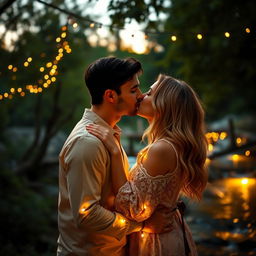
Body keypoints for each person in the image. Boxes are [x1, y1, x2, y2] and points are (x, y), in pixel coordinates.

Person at [57, 58, 174, 256]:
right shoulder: (88, 143)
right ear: (110, 95)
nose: (140, 95)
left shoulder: (108, 134)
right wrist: (141, 225)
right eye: (133, 90)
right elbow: (87, 215)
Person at [86, 74, 208, 256]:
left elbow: (133, 209)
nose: (141, 95)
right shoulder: (169, 145)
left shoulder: (162, 148)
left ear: (164, 105)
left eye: (149, 93)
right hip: (164, 233)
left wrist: (115, 151)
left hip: (155, 241)